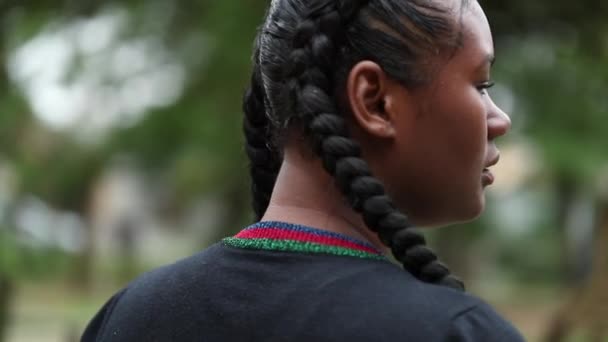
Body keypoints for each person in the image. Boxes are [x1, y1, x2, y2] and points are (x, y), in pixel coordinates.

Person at [82, 0, 526, 340]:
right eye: (481, 84)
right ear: (375, 101)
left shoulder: (129, 316)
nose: (499, 119)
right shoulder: (453, 332)